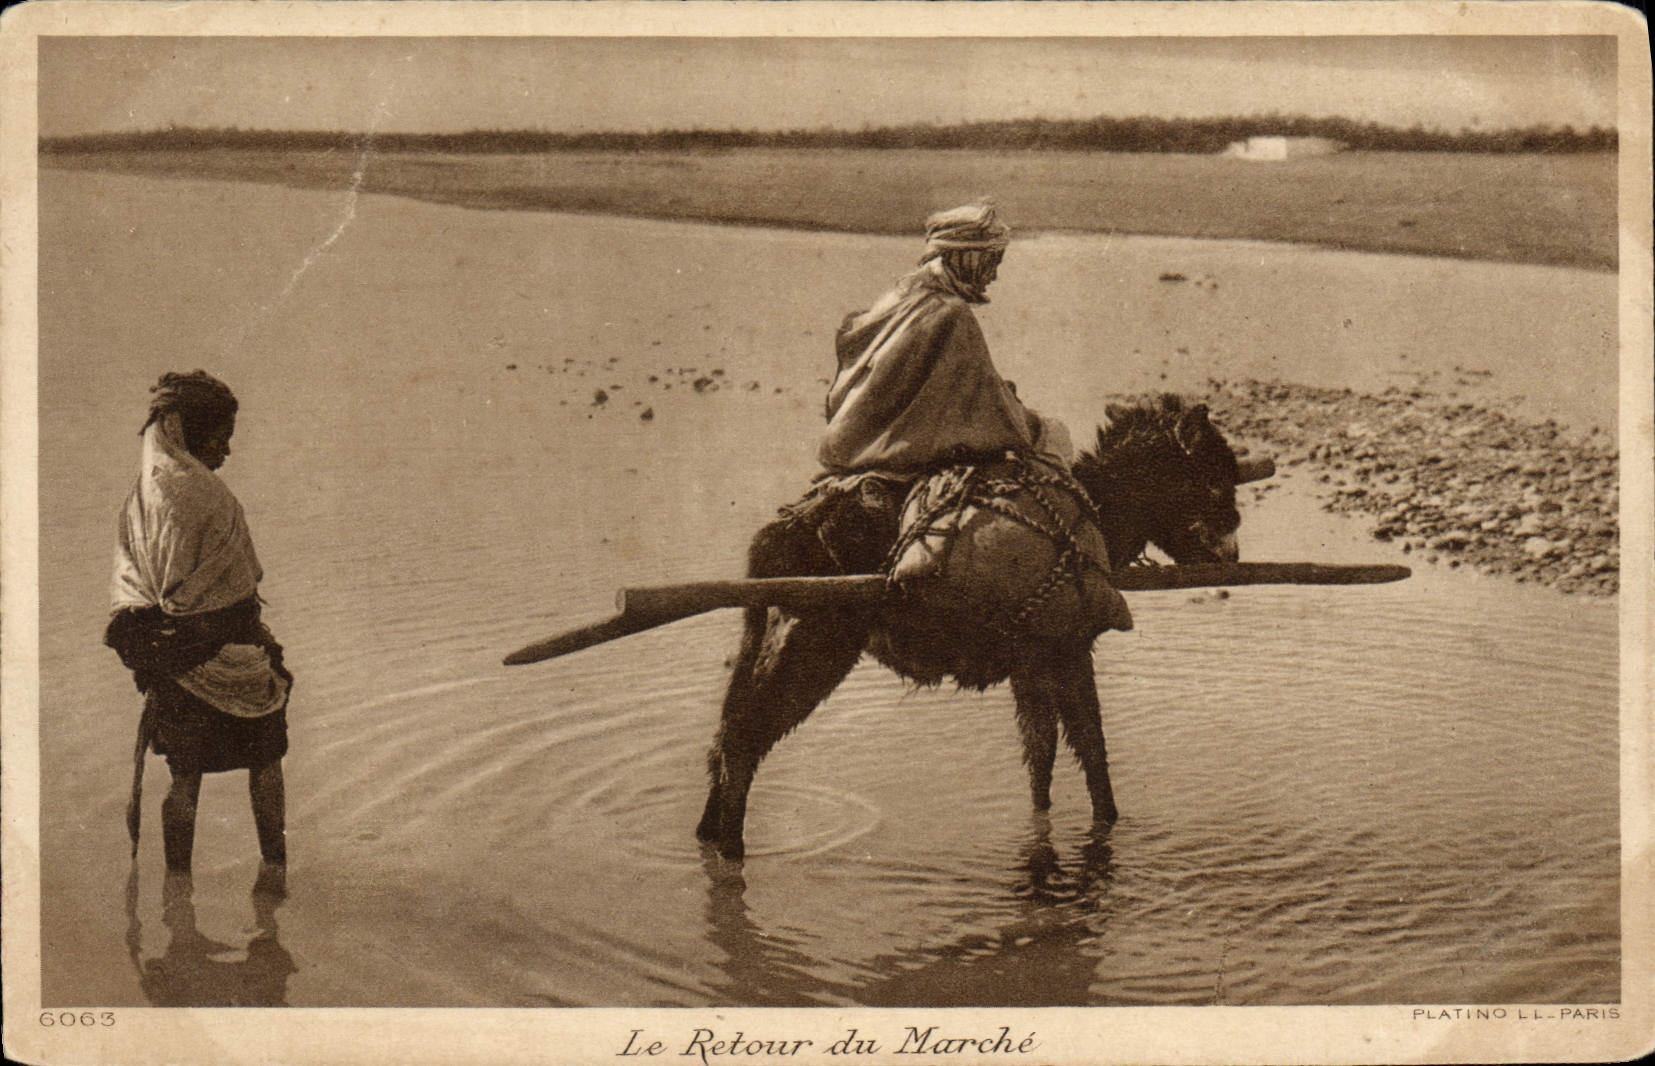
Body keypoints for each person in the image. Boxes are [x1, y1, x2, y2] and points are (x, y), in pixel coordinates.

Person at [105, 371, 291, 891]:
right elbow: (243, 579)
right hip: (233, 651)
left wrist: (167, 637)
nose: (227, 449)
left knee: (185, 778)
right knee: (266, 763)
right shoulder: (211, 495)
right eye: (221, 436)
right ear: (189, 433)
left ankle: (177, 889)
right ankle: (274, 871)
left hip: (173, 659)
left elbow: (132, 591)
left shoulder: (140, 499)